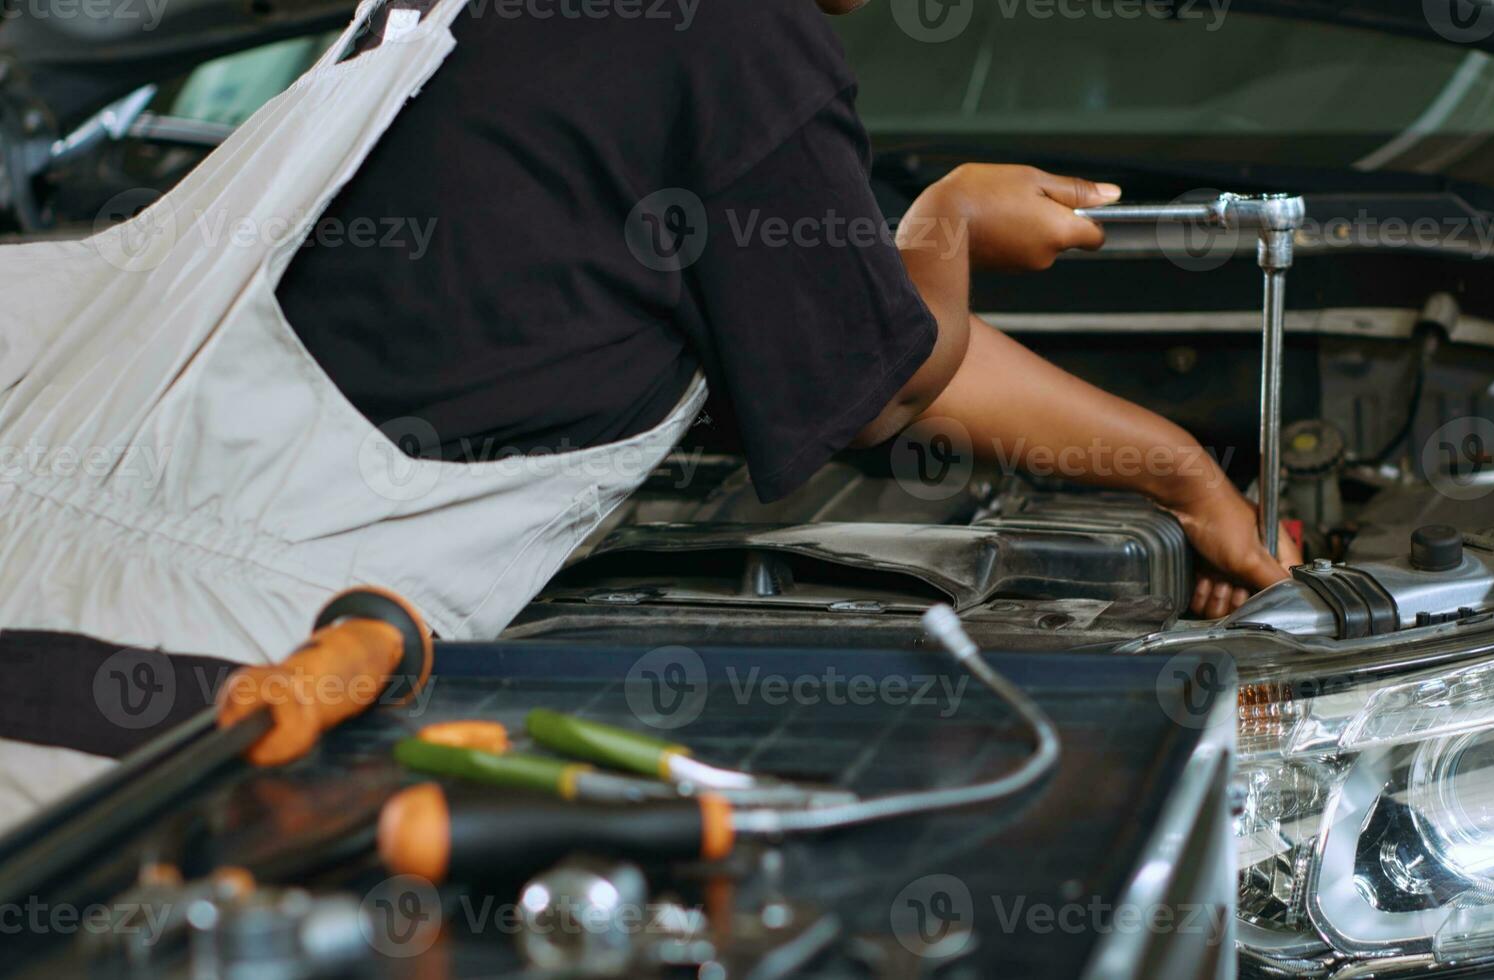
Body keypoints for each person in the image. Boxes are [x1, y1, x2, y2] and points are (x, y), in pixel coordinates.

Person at [0, 0, 1295, 827]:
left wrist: (1178, 475)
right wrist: (947, 221)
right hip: (208, 706)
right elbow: (893, 386)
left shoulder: (482, 19)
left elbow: (858, 335)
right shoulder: (737, 39)